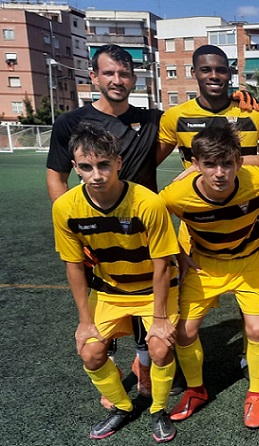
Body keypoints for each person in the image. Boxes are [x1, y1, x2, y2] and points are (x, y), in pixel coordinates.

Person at [157, 44, 259, 374]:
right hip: (196, 230)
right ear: (194, 74)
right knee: (180, 319)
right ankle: (163, 365)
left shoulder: (252, 116)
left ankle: (253, 358)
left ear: (231, 74)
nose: (214, 76)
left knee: (255, 319)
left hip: (243, 222)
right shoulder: (175, 117)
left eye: (221, 70)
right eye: (206, 70)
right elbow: (148, 168)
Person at [46, 44, 160, 405]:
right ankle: (109, 367)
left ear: (133, 78)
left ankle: (143, 367)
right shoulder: (70, 123)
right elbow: (56, 176)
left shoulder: (151, 120)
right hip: (95, 234)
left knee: (145, 300)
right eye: (109, 73)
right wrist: (76, 230)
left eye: (124, 73)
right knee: (102, 301)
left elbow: (195, 123)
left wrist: (238, 106)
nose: (117, 80)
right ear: (93, 76)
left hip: (140, 227)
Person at [51, 123, 179, 442]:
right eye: (86, 167)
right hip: (110, 291)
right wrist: (84, 322)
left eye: (104, 164)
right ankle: (122, 407)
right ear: (75, 168)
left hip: (153, 290)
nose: (97, 174)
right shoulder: (65, 208)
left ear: (118, 163)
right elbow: (74, 266)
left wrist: (161, 318)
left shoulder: (148, 203)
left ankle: (158, 410)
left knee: (160, 347)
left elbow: (163, 264)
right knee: (90, 351)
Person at [159, 125, 259, 428]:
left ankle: (255, 394)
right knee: (184, 332)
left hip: (249, 263)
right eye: (210, 164)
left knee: (257, 329)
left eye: (227, 163)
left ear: (238, 161)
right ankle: (196, 390)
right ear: (194, 165)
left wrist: (254, 160)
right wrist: (178, 254)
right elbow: (152, 222)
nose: (220, 173)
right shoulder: (176, 195)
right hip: (204, 265)